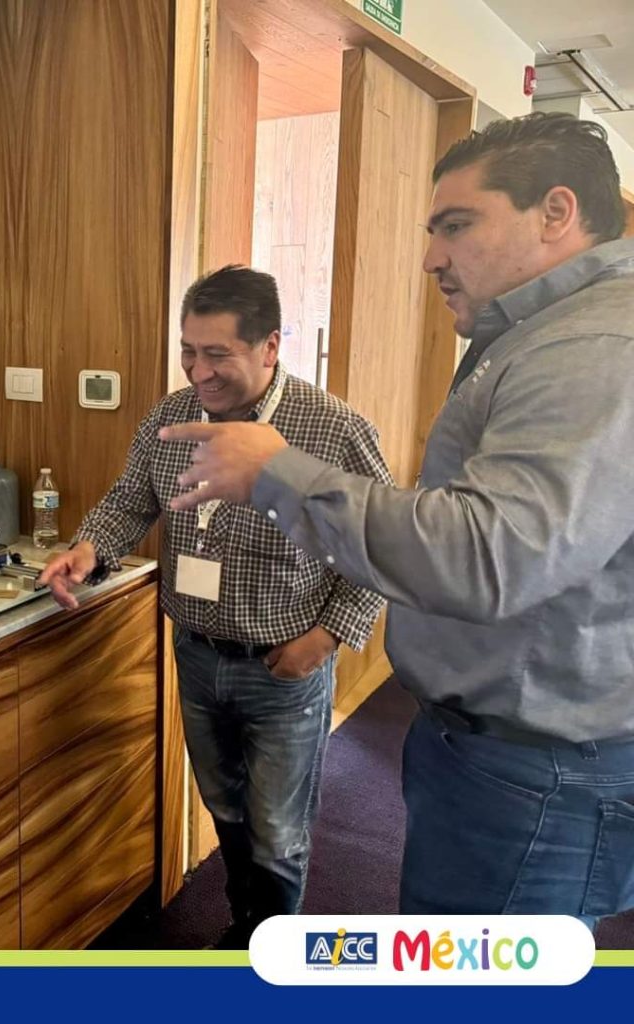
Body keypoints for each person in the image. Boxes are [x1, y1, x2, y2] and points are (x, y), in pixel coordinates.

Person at [160, 112, 634, 922]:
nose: (431, 258)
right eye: (188, 352)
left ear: (556, 213)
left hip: (536, 775)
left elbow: (482, 554)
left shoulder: (590, 348)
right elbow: (132, 496)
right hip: (489, 748)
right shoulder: (533, 339)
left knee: (462, 970)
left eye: (457, 225)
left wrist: (277, 477)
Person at [37, 265, 392, 946]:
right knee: (226, 809)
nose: (199, 371)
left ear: (270, 346)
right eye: (188, 351)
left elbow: (379, 545)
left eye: (217, 354)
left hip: (284, 667)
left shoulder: (332, 429)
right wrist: (87, 549)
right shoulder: (171, 417)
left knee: (278, 832)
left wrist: (326, 638)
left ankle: (274, 947)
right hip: (197, 655)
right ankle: (246, 927)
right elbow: (129, 501)